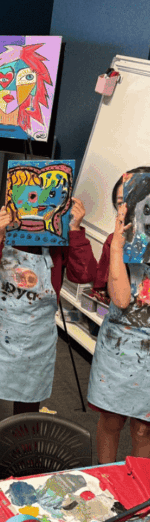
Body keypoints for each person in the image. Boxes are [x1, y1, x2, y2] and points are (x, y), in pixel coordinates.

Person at [0, 193, 96, 484]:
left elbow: (85, 274)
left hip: (35, 338)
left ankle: (21, 461)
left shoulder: (59, 234)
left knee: (27, 408)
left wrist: (76, 230)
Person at [88, 167, 150, 462]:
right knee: (112, 421)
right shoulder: (120, 241)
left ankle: (139, 492)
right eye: (120, 203)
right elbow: (122, 298)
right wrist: (117, 249)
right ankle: (107, 483)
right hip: (120, 347)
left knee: (143, 429)